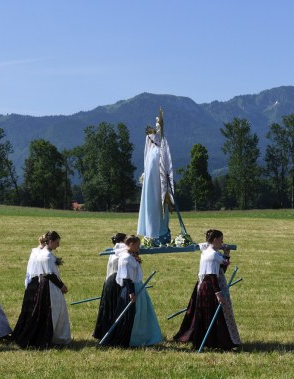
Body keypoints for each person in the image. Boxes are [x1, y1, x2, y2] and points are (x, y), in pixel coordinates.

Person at [173, 229, 241, 350]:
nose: (222, 242)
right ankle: (218, 341)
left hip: (208, 285)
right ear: (215, 240)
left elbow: (221, 270)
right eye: (221, 239)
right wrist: (218, 294)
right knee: (213, 314)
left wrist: (226, 254)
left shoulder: (208, 251)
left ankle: (212, 340)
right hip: (210, 287)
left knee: (212, 313)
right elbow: (212, 276)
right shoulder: (212, 255)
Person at [101, 235, 163, 347]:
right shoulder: (125, 259)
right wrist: (131, 293)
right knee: (129, 316)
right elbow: (126, 278)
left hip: (137, 286)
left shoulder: (131, 255)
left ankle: (141, 337)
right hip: (131, 289)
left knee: (141, 313)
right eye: (138, 245)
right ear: (131, 244)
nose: (139, 248)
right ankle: (126, 339)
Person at [14, 231, 71, 348]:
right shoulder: (47, 256)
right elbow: (50, 274)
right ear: (50, 242)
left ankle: (47, 336)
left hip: (44, 285)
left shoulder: (41, 253)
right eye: (56, 243)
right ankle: (49, 337)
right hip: (49, 286)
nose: (58, 245)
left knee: (44, 312)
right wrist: (62, 286)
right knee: (52, 311)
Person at [137, 111, 173, 247]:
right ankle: (157, 236)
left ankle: (156, 235)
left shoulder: (155, 152)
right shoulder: (156, 152)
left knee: (157, 213)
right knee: (158, 213)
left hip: (158, 190)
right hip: (158, 190)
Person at [93, 232, 127, 340]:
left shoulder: (114, 251)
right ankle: (115, 333)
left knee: (107, 308)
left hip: (109, 281)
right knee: (115, 308)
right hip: (116, 282)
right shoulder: (121, 249)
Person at [12, 234, 46, 340]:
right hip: (38, 283)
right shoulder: (42, 253)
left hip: (31, 282)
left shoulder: (34, 252)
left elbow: (29, 269)